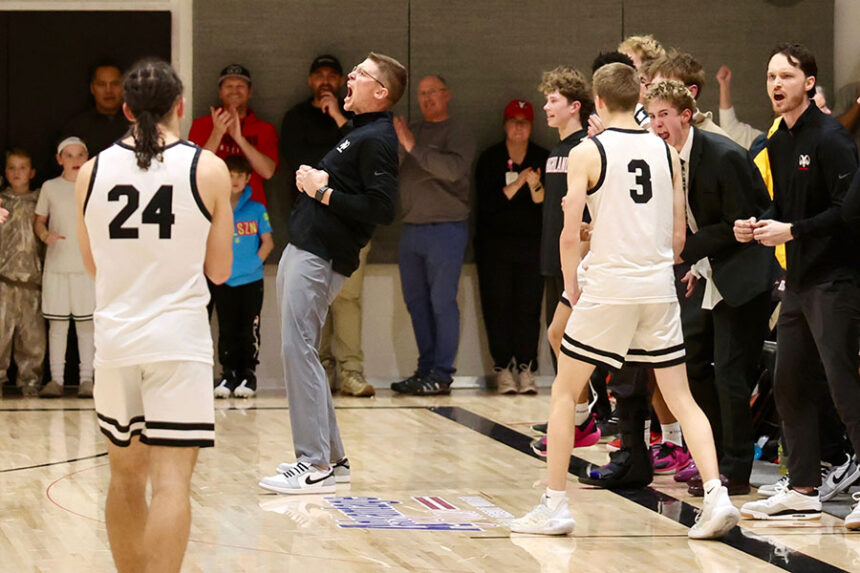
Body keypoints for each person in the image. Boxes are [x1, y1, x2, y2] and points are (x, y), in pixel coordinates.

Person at [510, 63, 739, 539]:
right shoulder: (665, 149)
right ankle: (717, 496)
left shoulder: (588, 151)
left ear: (597, 101)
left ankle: (554, 505)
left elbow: (568, 236)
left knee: (564, 392)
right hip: (658, 287)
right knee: (681, 397)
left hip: (610, 286)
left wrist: (572, 286)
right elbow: (678, 239)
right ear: (637, 97)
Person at [75, 58, 233, 571]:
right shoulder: (207, 168)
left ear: (126, 109)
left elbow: (93, 266)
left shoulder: (90, 171)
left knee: (125, 479)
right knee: (171, 484)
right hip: (178, 343)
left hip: (117, 341)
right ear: (180, 107)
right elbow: (220, 271)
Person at [258, 52, 406, 495]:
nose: (351, 77)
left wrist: (322, 193)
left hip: (321, 254)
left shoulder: (377, 137)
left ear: (381, 91)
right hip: (306, 246)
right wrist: (318, 181)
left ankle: (313, 463)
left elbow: (382, 207)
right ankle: (333, 460)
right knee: (301, 350)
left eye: (361, 74)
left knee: (298, 350)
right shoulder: (359, 132)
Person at [734, 44, 860, 529]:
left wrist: (793, 231)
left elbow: (848, 213)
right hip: (799, 281)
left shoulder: (831, 137)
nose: (776, 84)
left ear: (808, 83)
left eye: (786, 76)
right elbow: (782, 208)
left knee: (843, 386)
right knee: (788, 382)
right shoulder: (778, 141)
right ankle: (803, 489)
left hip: (836, 280)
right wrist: (757, 224)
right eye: (770, 76)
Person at [646, 80, 776, 495]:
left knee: (731, 374)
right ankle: (711, 456)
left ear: (686, 115)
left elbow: (742, 225)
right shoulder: (666, 158)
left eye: (665, 115)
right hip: (711, 269)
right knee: (692, 363)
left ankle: (735, 470)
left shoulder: (723, 155)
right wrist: (697, 263)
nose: (657, 124)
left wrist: (685, 253)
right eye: (652, 116)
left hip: (745, 274)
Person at [280, 54, 374, 397]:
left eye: (331, 75)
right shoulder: (296, 118)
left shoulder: (358, 120)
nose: (324, 81)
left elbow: (365, 161)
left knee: (347, 300)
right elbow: (300, 164)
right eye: (318, 75)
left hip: (350, 224)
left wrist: (337, 116)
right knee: (312, 300)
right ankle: (317, 372)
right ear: (310, 81)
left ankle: (351, 372)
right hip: (311, 227)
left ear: (342, 82)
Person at [390, 75, 475, 396]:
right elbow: (392, 170)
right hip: (411, 229)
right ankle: (424, 370)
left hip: (446, 229)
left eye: (433, 93)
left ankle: (442, 374)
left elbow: (452, 171)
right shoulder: (411, 130)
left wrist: (412, 146)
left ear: (446, 95)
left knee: (442, 302)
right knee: (416, 303)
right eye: (422, 94)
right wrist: (400, 147)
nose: (426, 99)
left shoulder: (459, 132)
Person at [474, 99, 548, 394]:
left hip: (531, 247)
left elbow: (544, 202)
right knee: (498, 307)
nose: (519, 127)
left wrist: (534, 184)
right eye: (513, 121)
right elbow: (489, 203)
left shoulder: (542, 157)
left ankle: (526, 368)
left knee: (529, 308)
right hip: (495, 247)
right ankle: (503, 367)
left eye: (524, 122)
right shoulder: (490, 158)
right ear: (505, 125)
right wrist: (518, 182)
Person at [34, 136, 95, 398]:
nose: (74, 160)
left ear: (87, 157)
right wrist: (45, 235)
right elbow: (39, 221)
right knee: (57, 327)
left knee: (86, 327)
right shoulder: (50, 187)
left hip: (86, 266)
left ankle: (87, 379)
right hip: (57, 265)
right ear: (59, 159)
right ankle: (56, 380)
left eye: (79, 155)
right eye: (68, 155)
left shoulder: (95, 185)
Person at [211, 155, 273, 399]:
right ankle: (228, 374)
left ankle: (248, 375)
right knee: (226, 328)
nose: (235, 180)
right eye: (230, 175)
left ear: (248, 179)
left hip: (251, 280)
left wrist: (253, 264)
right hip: (224, 278)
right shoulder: (215, 209)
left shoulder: (257, 209)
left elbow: (268, 242)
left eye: (240, 175)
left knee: (249, 328)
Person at [188, 64, 278, 206]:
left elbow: (267, 172)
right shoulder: (201, 125)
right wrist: (217, 133)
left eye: (240, 86)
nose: (234, 91)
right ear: (220, 92)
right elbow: (196, 170)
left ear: (250, 92)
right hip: (210, 206)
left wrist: (240, 139)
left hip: (250, 211)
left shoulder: (265, 129)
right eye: (229, 86)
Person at [0, 148, 45, 397]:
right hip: (3, 280)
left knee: (32, 338)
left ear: (32, 172)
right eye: (12, 168)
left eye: (22, 168)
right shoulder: (2, 202)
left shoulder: (39, 203)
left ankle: (30, 381)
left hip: (31, 279)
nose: (17, 173)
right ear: (5, 172)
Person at [62, 62, 131, 155]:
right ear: (92, 88)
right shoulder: (76, 128)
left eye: (115, 84)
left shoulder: (136, 124)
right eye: (102, 84)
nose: (108, 90)